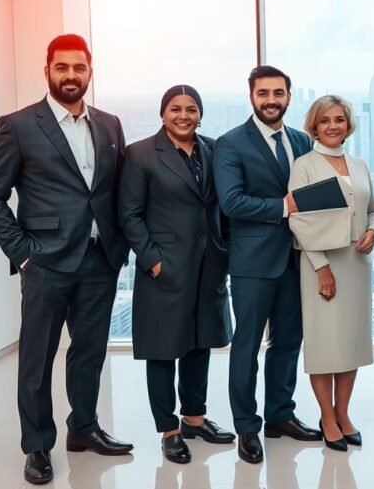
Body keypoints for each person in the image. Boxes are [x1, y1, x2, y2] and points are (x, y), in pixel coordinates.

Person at [0, 34, 132, 485]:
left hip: (99, 260)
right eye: (61, 67)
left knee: (90, 352)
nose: (71, 75)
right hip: (45, 263)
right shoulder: (18, 125)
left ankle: (83, 428)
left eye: (78, 68)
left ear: (90, 72)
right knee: (37, 359)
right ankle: (37, 446)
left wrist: (119, 247)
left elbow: (115, 191)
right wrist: (23, 255)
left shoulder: (110, 125)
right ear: (47, 70)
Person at [118, 85, 235, 464]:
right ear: (162, 113)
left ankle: (194, 419)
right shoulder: (140, 154)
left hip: (208, 264)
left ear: (200, 114)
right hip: (164, 266)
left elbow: (222, 206)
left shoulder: (214, 149)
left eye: (191, 109)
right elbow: (129, 214)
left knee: (200, 342)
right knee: (162, 348)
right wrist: (152, 260)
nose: (184, 115)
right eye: (175, 109)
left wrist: (224, 250)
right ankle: (169, 430)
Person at [213, 65, 319, 464]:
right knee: (247, 346)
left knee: (288, 341)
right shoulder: (231, 143)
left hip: (296, 258)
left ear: (289, 96)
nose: (271, 100)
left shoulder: (301, 140)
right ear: (251, 97)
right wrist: (283, 207)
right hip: (253, 263)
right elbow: (232, 202)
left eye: (278, 93)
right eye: (263, 93)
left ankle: (280, 415)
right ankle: (246, 426)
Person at [287, 95, 374, 452]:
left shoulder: (359, 165)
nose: (332, 126)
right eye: (325, 120)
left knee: (350, 343)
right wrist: (322, 268)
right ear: (314, 126)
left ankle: (343, 414)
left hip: (357, 262)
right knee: (325, 343)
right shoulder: (304, 165)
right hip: (322, 263)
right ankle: (327, 417)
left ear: (348, 124)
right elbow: (298, 221)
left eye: (339, 119)